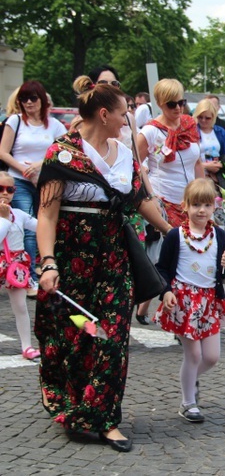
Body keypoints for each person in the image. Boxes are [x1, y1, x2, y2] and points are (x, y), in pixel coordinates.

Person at [34, 75, 172, 452]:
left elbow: (140, 199)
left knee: (112, 336)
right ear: (104, 113)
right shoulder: (61, 153)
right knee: (75, 336)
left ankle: (106, 418)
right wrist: (47, 263)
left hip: (113, 256)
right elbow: (47, 215)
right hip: (71, 256)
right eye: (124, 113)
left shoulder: (124, 154)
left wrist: (172, 231)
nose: (128, 120)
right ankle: (73, 405)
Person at [154, 178, 225, 423]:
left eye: (207, 205)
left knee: (211, 357)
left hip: (209, 301)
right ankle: (188, 402)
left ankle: (189, 378)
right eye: (196, 204)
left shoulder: (220, 235)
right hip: (184, 301)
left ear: (214, 208)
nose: (201, 210)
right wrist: (166, 291)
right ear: (185, 206)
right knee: (194, 356)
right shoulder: (175, 236)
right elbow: (162, 268)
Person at [134, 78, 203, 325]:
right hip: (164, 200)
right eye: (171, 104)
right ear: (160, 104)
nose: (178, 109)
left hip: (191, 202)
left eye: (181, 102)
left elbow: (197, 161)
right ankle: (175, 316)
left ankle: (146, 307)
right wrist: (151, 194)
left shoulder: (189, 124)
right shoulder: (150, 131)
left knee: (186, 257)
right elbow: (137, 165)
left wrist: (204, 191)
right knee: (176, 257)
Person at [0, 80, 67, 297]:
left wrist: (40, 164)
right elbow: (3, 151)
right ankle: (29, 278)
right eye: (24, 99)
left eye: (33, 98)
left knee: (44, 225)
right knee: (28, 225)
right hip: (18, 182)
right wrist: (22, 168)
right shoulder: (15, 121)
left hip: (45, 182)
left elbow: (62, 152)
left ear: (42, 100)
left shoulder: (55, 126)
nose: (28, 103)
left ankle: (39, 267)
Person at [0, 171, 39, 359]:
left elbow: (40, 227)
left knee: (21, 306)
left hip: (16, 267)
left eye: (10, 189)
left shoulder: (20, 214)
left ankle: (27, 346)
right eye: (0, 189)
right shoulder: (7, 217)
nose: (5, 193)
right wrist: (4, 219)